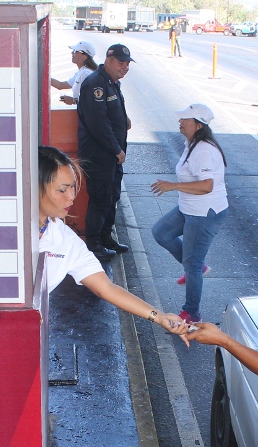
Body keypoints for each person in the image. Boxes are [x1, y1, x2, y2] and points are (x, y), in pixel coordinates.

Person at [37, 146, 189, 342]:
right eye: (62, 189)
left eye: (73, 187)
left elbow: (106, 287)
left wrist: (158, 316)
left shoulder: (65, 240)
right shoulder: (2, 230)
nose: (71, 196)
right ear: (35, 187)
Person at [150, 103, 228, 325]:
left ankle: (192, 312)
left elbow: (206, 186)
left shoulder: (203, 149)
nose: (180, 121)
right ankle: (197, 266)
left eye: (186, 119)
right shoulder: (192, 143)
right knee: (161, 232)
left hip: (204, 213)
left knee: (191, 265)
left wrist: (172, 186)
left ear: (199, 124)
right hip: (189, 208)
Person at [77, 43, 134, 261]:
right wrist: (116, 149)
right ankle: (93, 244)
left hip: (112, 156)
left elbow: (113, 111)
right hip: (99, 154)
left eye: (128, 63)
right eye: (121, 63)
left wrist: (124, 119)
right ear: (109, 61)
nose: (125, 67)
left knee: (112, 197)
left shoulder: (112, 82)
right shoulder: (95, 84)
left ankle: (105, 237)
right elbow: (98, 123)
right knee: (100, 198)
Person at [50, 41, 97, 106]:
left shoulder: (86, 74)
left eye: (75, 51)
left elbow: (93, 100)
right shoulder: (81, 73)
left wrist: (73, 101)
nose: (72, 53)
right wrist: (43, 77)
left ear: (85, 56)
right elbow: (60, 85)